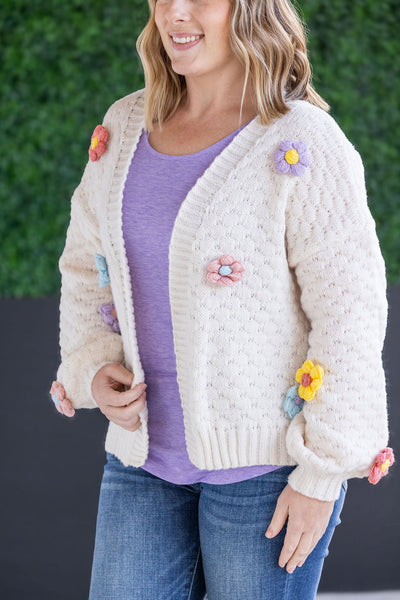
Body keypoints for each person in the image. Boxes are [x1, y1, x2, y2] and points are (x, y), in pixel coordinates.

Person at [49, 0, 395, 598]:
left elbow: (350, 313)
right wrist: (94, 365)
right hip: (143, 466)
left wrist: (322, 475)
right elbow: (85, 265)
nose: (175, 13)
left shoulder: (302, 141)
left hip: (268, 474)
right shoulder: (125, 125)